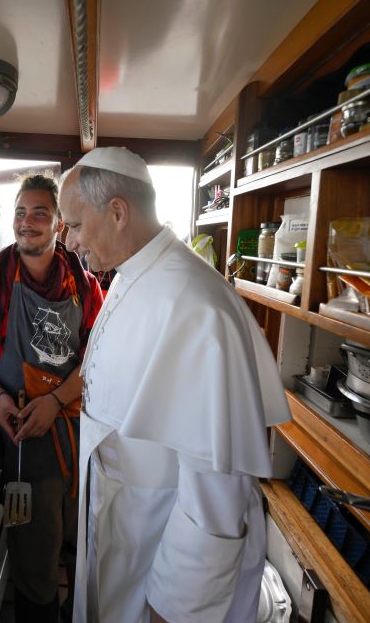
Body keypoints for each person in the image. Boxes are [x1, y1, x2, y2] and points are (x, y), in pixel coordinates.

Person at [59, 147, 291, 623]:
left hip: (160, 547)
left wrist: (177, 606)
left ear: (118, 212)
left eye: (76, 225)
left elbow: (217, 490)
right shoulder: (131, 274)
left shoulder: (197, 305)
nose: (70, 241)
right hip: (124, 516)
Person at [0, 173, 104, 622]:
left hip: (75, 427)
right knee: (32, 546)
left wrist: (55, 402)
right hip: (19, 432)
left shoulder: (86, 286)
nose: (27, 222)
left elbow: (97, 356)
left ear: (59, 225)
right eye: (20, 212)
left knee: (80, 538)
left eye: (40, 213)